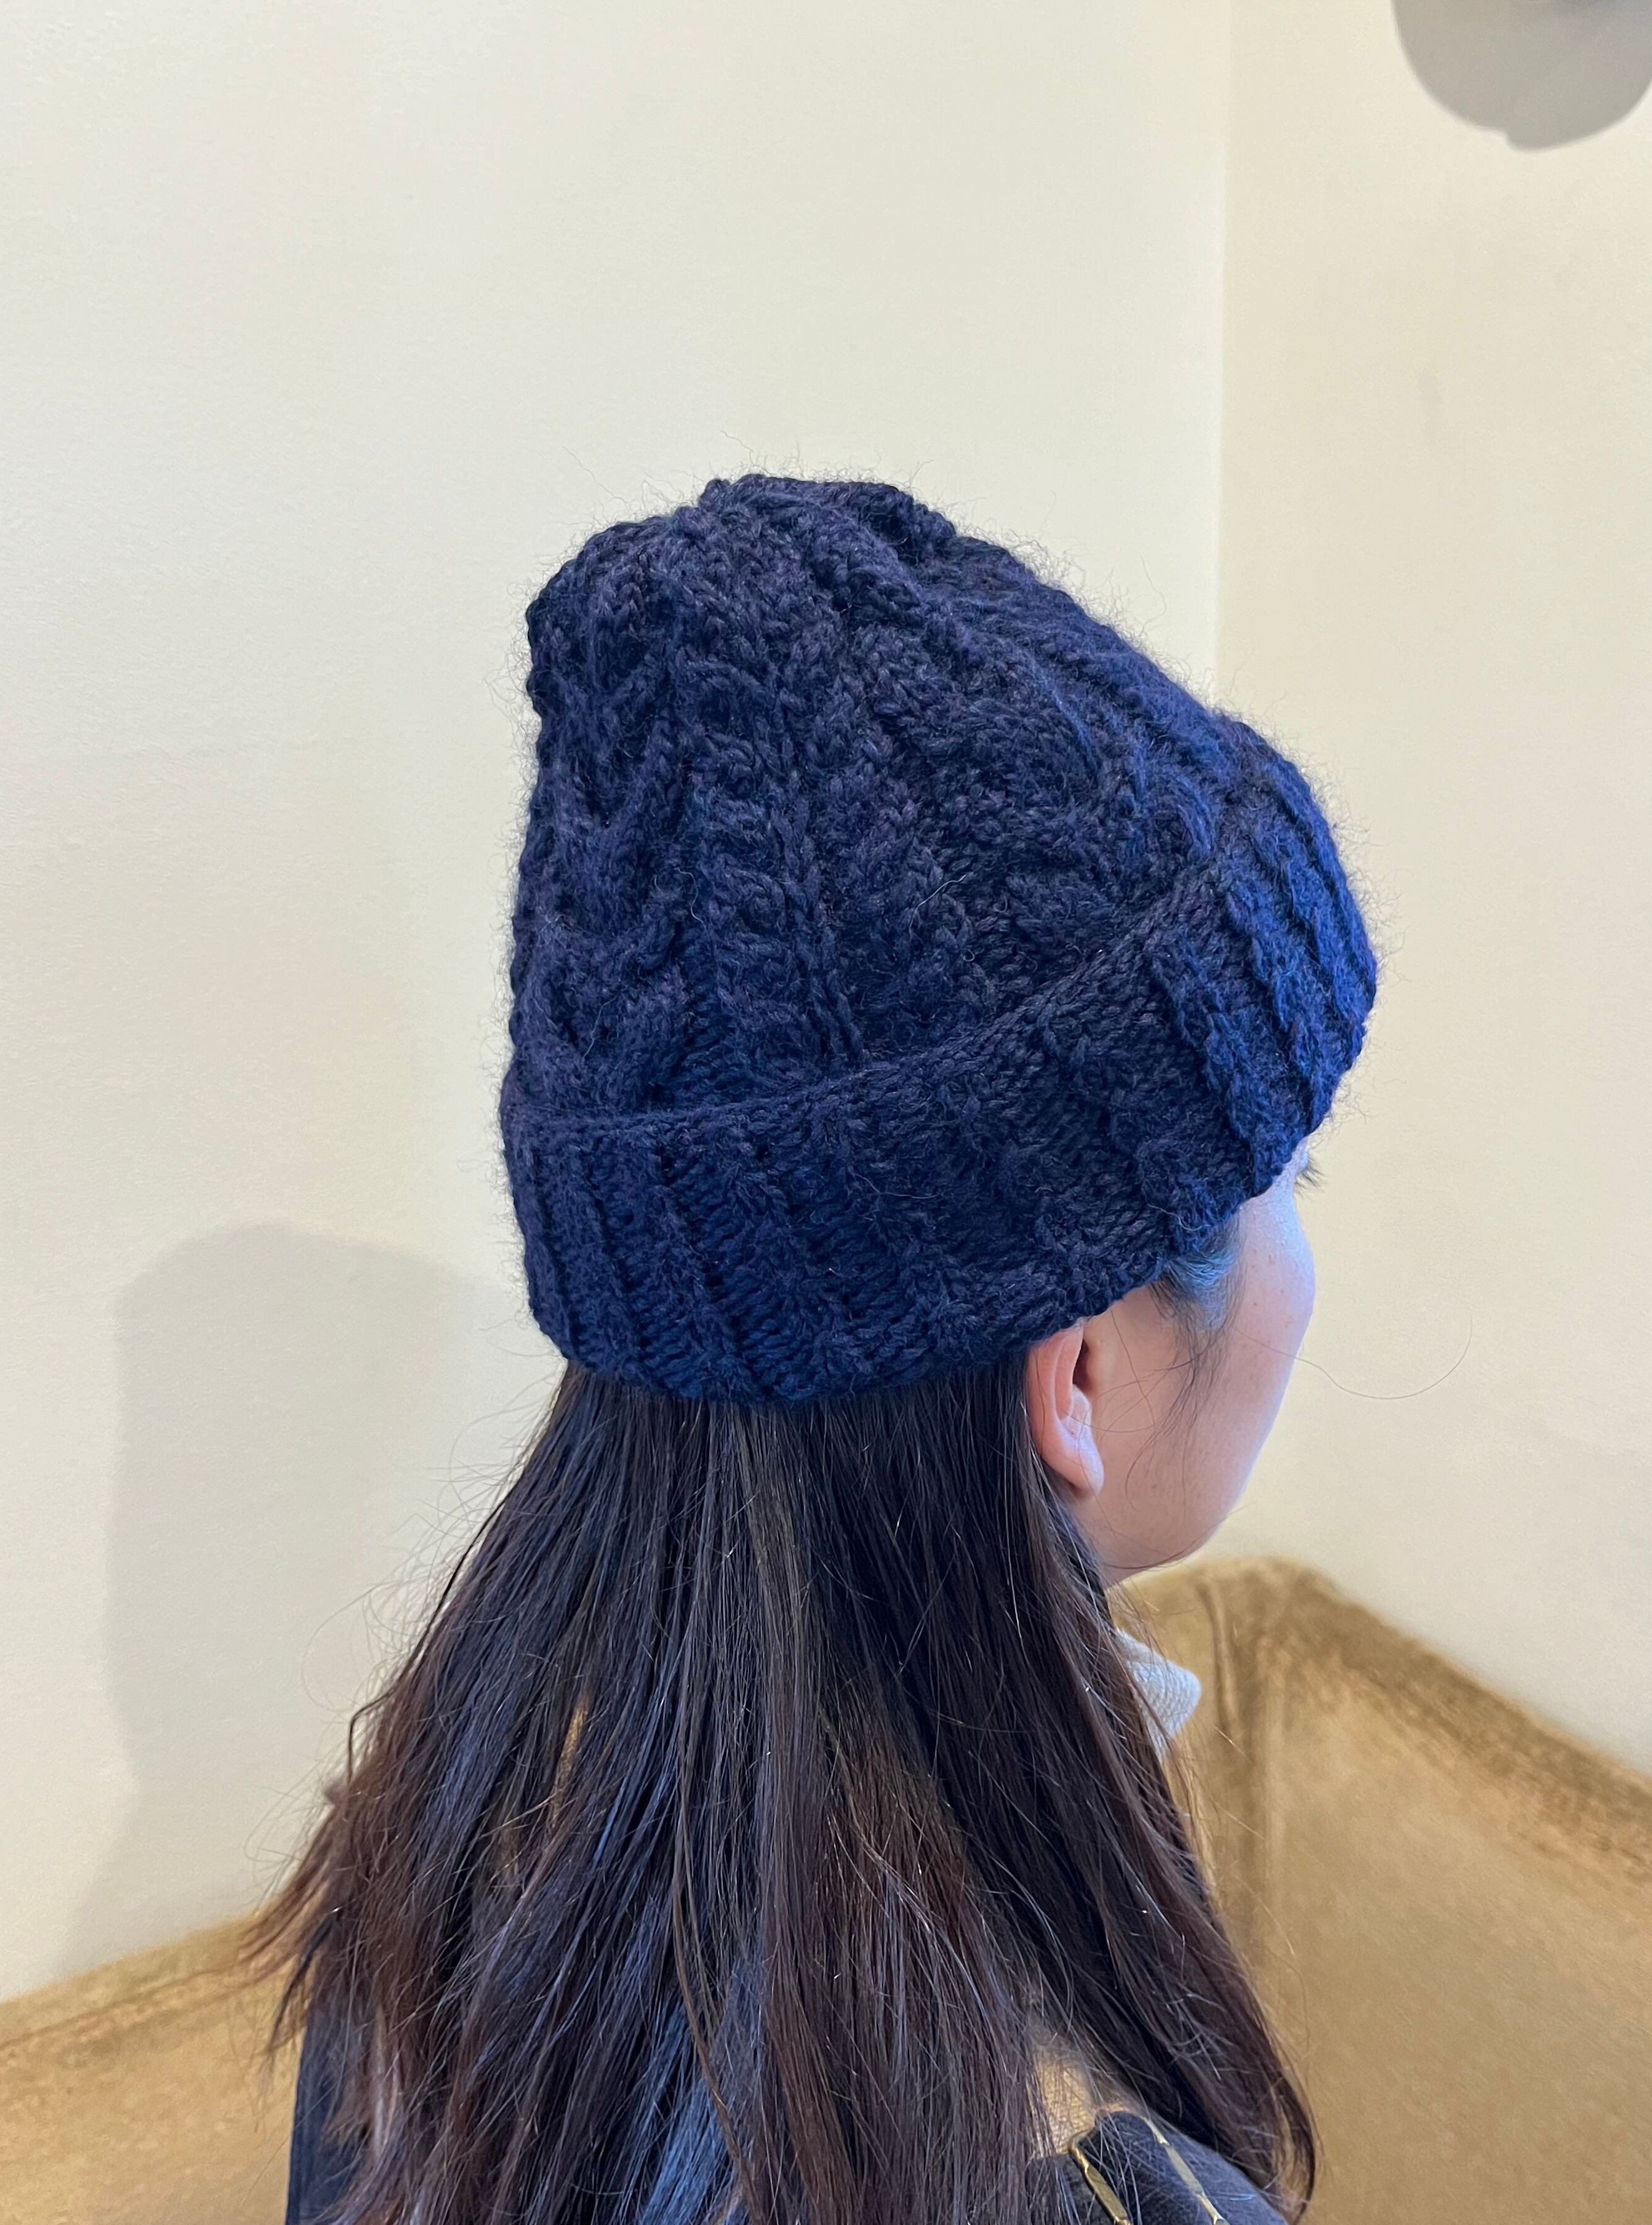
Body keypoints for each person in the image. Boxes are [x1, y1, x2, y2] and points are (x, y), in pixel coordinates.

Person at [260, 476, 1377, 2225]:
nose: (1303, 1255)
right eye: (1284, 1181)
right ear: (1074, 1377)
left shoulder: (439, 1878)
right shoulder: (1091, 2184)